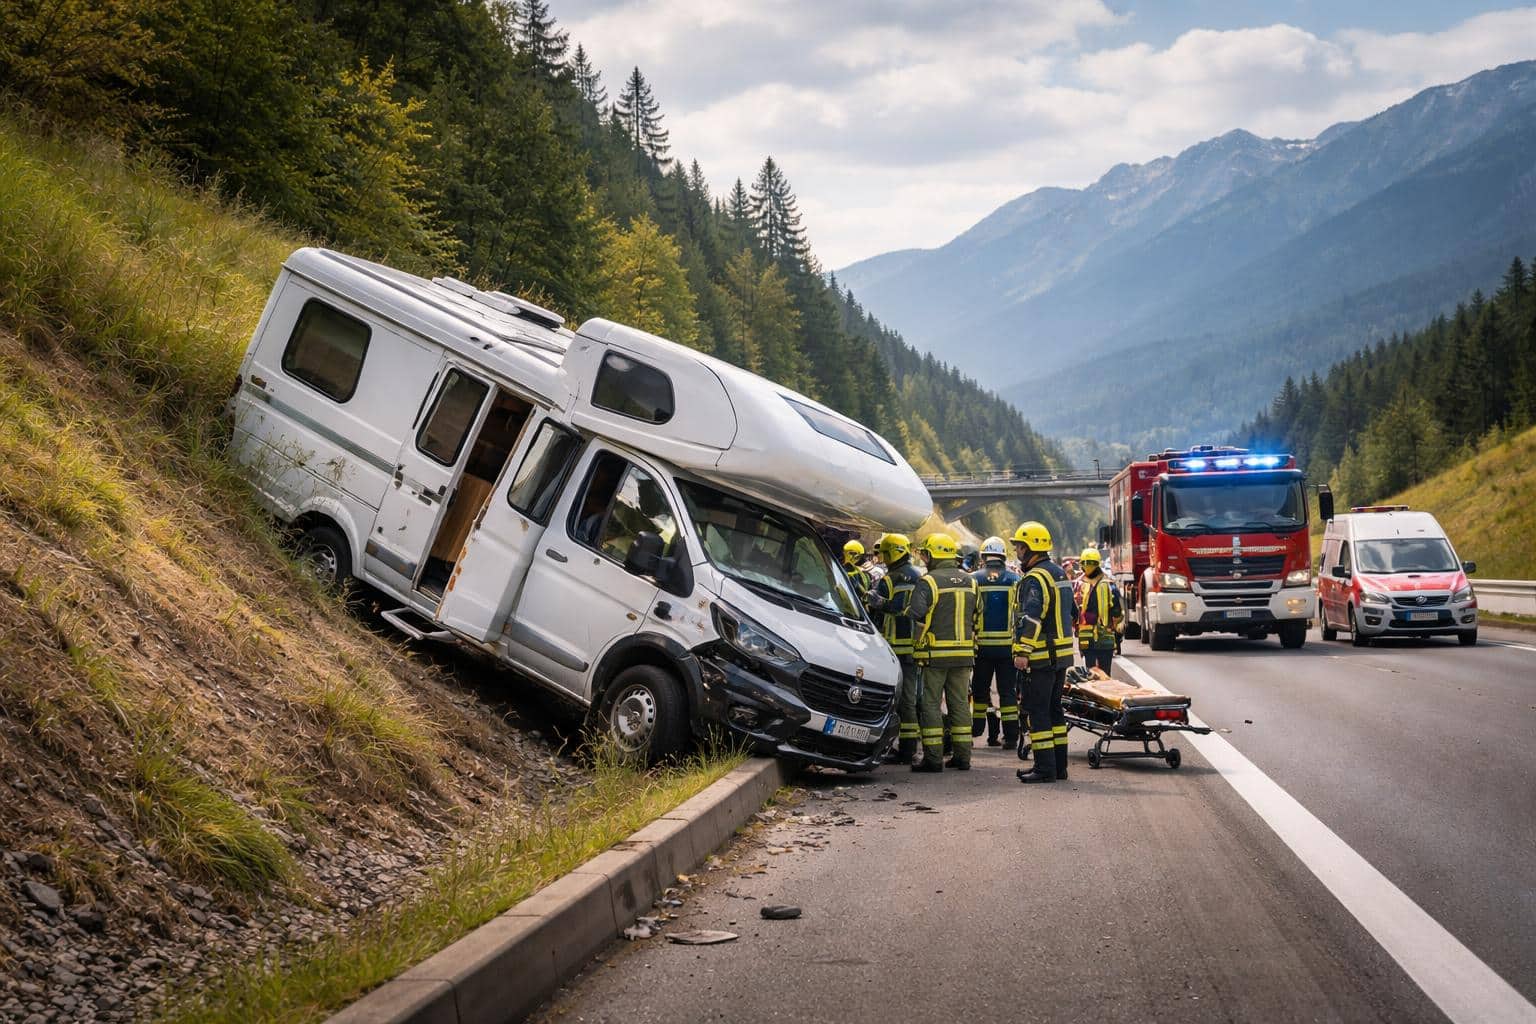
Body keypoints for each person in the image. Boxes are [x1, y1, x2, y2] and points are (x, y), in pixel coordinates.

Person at [1011, 522, 1077, 784]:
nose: (1016, 550)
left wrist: (1022, 650)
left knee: (1037, 712)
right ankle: (1059, 767)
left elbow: (1032, 618)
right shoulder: (1059, 574)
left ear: (1030, 548)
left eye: (1019, 545)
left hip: (1040, 657)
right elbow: (1073, 613)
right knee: (1054, 711)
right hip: (1060, 656)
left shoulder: (1035, 579)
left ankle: (1044, 769)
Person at [907, 533, 979, 772]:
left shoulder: (928, 582)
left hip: (934, 655)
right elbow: (979, 615)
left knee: (930, 705)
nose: (924, 558)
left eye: (926, 554)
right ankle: (962, 757)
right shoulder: (971, 582)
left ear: (934, 555)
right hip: (963, 655)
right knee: (959, 704)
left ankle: (933, 758)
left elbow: (915, 614)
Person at [866, 534, 922, 765]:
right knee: (911, 697)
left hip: (893, 649)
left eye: (885, 553)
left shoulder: (888, 580)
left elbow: (879, 615)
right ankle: (910, 746)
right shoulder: (919, 577)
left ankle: (900, 747)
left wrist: (876, 603)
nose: (882, 558)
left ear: (893, 553)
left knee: (895, 699)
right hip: (915, 646)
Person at [971, 536, 1022, 750]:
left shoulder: (973, 579)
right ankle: (1011, 737)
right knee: (1007, 692)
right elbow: (1020, 614)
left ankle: (977, 730)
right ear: (1003, 556)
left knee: (980, 691)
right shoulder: (1015, 579)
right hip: (1007, 649)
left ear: (983, 556)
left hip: (981, 648)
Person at [1075, 547, 1123, 674]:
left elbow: (1073, 611)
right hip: (1105, 636)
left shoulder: (1078, 585)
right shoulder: (1109, 584)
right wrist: (1115, 626)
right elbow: (1118, 611)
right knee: (1105, 673)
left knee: (1090, 672)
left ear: (1081, 565)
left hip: (1086, 636)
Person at [842, 539, 872, 607]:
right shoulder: (865, 574)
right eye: (852, 553)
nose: (855, 557)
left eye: (856, 554)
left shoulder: (865, 575)